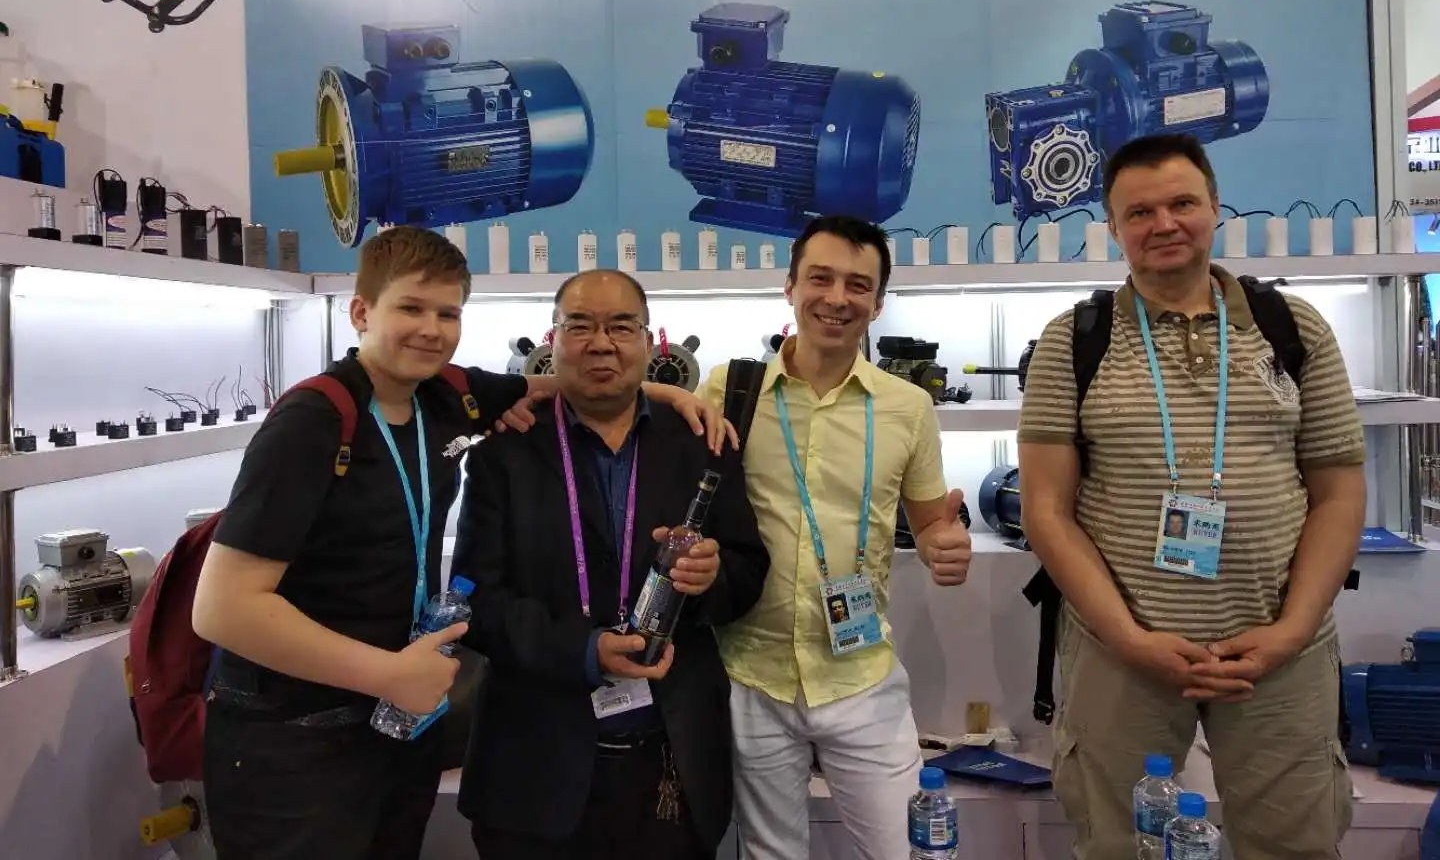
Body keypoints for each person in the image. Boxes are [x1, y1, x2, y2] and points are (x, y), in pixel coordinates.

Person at [192, 228, 728, 860]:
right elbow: (221, 610)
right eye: (410, 308)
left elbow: (575, 383)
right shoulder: (311, 422)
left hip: (397, 727)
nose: (431, 330)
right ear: (360, 311)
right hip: (295, 737)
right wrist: (389, 674)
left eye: (447, 314)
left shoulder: (446, 398)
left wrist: (663, 392)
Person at [1017, 133, 1367, 860]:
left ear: (1215, 207)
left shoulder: (1293, 327)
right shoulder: (1074, 339)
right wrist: (1130, 639)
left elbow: (1338, 490)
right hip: (1122, 653)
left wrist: (1292, 630)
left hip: (1279, 653)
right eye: (1139, 212)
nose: (1164, 224)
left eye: (1182, 203)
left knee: (1294, 844)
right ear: (1113, 228)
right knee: (1119, 844)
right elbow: (1046, 509)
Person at [452, 269, 771, 860]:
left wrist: (710, 578)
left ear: (648, 342)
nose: (602, 343)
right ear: (553, 341)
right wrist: (582, 650)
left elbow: (748, 572)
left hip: (671, 765)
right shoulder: (504, 448)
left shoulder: (701, 442)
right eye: (580, 326)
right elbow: (474, 599)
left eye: (622, 327)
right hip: (534, 770)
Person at [696, 214, 974, 860]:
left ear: (877, 304)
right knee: (771, 853)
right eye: (820, 278)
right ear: (790, 287)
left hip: (860, 675)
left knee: (909, 850)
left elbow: (932, 522)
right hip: (750, 673)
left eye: (858, 285)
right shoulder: (729, 389)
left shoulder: (907, 407)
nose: (837, 298)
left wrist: (944, 545)